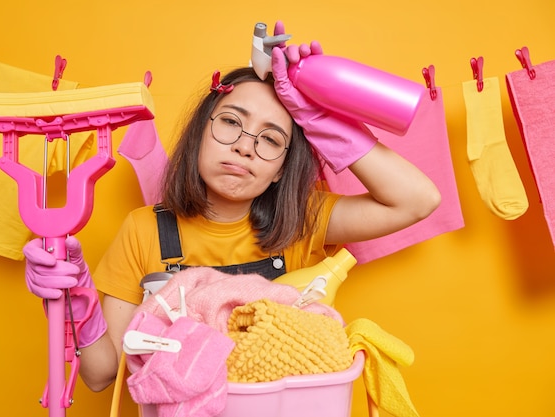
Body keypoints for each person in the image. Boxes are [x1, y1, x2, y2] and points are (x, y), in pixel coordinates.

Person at [23, 22, 441, 392]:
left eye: (271, 139)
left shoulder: (303, 219)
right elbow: (100, 376)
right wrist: (73, 300)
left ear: (281, 169)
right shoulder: (142, 230)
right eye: (230, 122)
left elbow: (418, 200)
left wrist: (317, 119)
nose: (244, 146)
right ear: (199, 131)